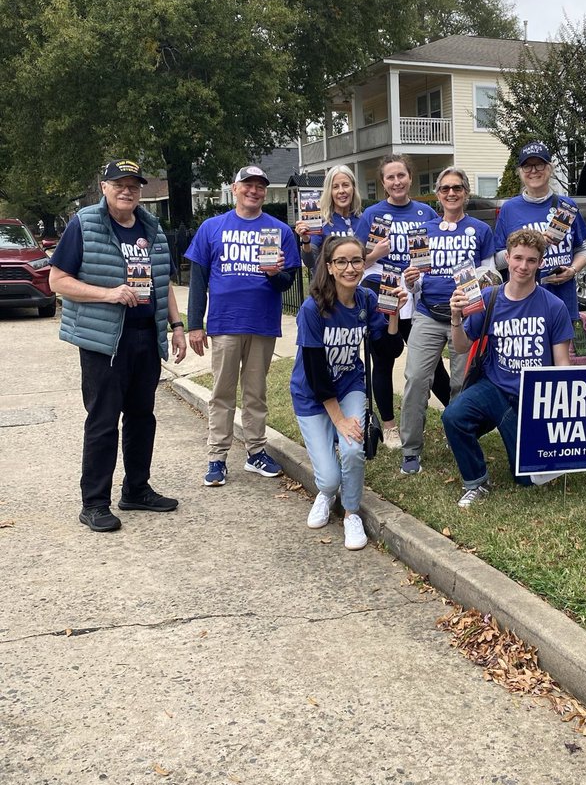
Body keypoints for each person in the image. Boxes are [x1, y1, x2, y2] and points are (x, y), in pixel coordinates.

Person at [49, 159, 187, 532]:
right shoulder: (84, 224)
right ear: (104, 187)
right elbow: (57, 281)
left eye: (134, 185)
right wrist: (108, 293)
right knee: (103, 420)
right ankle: (94, 503)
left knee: (142, 417)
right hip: (104, 342)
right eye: (119, 184)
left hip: (146, 337)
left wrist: (176, 326)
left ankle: (136, 490)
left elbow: (163, 282)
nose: (127, 191)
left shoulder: (152, 228)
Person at [185, 166, 300, 486]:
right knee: (222, 393)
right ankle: (217, 457)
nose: (254, 190)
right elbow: (198, 280)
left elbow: (287, 282)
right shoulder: (211, 227)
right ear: (234, 188)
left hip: (262, 323)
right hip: (225, 322)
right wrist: (195, 324)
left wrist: (275, 274)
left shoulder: (280, 231)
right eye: (247, 185)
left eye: (260, 186)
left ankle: (256, 452)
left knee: (255, 393)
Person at [441, 229, 573, 508]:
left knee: (526, 479)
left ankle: (513, 430)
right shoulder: (488, 297)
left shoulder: (554, 306)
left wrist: (557, 411)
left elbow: (562, 363)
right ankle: (476, 481)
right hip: (495, 386)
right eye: (518, 258)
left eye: (531, 260)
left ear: (540, 263)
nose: (523, 266)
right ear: (508, 258)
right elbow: (462, 347)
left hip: (532, 397)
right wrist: (455, 318)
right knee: (453, 416)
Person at [290, 236, 404, 549]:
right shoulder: (313, 308)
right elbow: (315, 372)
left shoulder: (367, 299)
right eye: (341, 261)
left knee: (353, 450)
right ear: (329, 267)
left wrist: (393, 314)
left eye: (356, 261)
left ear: (364, 264)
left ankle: (352, 513)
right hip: (312, 394)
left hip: (349, 383)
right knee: (328, 478)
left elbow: (388, 350)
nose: (350, 268)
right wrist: (339, 420)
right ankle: (327, 494)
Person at [399, 166, 495, 475]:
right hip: (428, 314)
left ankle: (460, 439)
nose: (451, 193)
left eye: (457, 188)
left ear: (466, 193)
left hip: (465, 317)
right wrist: (411, 280)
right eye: (445, 188)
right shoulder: (423, 231)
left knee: (460, 384)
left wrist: (477, 285)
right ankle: (411, 449)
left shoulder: (481, 230)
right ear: (438, 194)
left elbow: (490, 273)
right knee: (416, 379)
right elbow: (415, 281)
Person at [356, 153, 448, 448]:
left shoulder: (426, 213)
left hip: (416, 294)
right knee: (383, 360)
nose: (397, 182)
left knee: (432, 364)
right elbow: (355, 262)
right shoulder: (372, 215)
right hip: (382, 293)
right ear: (383, 182)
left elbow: (436, 255)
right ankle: (389, 427)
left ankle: (455, 418)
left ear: (410, 177)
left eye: (401, 175)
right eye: (390, 177)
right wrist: (375, 254)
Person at [493, 141, 586, 321]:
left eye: (539, 164)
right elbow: (498, 261)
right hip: (525, 306)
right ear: (520, 172)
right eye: (527, 166)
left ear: (549, 168)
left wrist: (572, 270)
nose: (534, 171)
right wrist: (533, 244)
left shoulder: (566, 206)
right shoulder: (509, 209)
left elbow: (583, 249)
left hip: (563, 301)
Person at [294, 164, 364, 270]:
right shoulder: (320, 221)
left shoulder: (363, 220)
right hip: (327, 280)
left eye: (345, 185)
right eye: (335, 187)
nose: (341, 191)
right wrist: (306, 240)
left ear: (353, 188)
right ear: (329, 192)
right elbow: (310, 262)